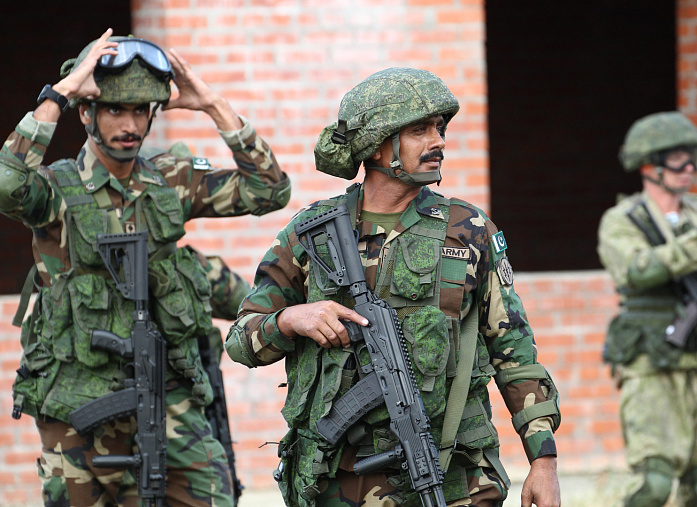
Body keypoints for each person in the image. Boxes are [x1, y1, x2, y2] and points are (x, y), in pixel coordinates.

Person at [226, 67, 561, 507]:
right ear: (377, 144)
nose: (438, 141)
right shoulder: (312, 233)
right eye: (420, 130)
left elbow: (513, 352)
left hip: (451, 476)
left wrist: (543, 460)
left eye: (440, 129)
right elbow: (241, 340)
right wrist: (292, 319)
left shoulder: (468, 229)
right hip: (338, 481)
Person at [1, 28, 290, 506]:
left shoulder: (170, 181)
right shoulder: (55, 190)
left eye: (141, 110)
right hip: (76, 397)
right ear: (89, 113)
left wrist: (212, 105)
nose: (130, 123)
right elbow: (8, 185)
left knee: (213, 494)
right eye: (116, 108)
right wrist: (63, 92)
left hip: (166, 388)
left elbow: (269, 189)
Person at [598, 111, 697, 507]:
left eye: (692, 156)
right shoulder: (622, 221)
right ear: (649, 165)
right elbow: (639, 270)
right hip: (649, 361)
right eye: (677, 158)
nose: (688, 166)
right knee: (653, 485)